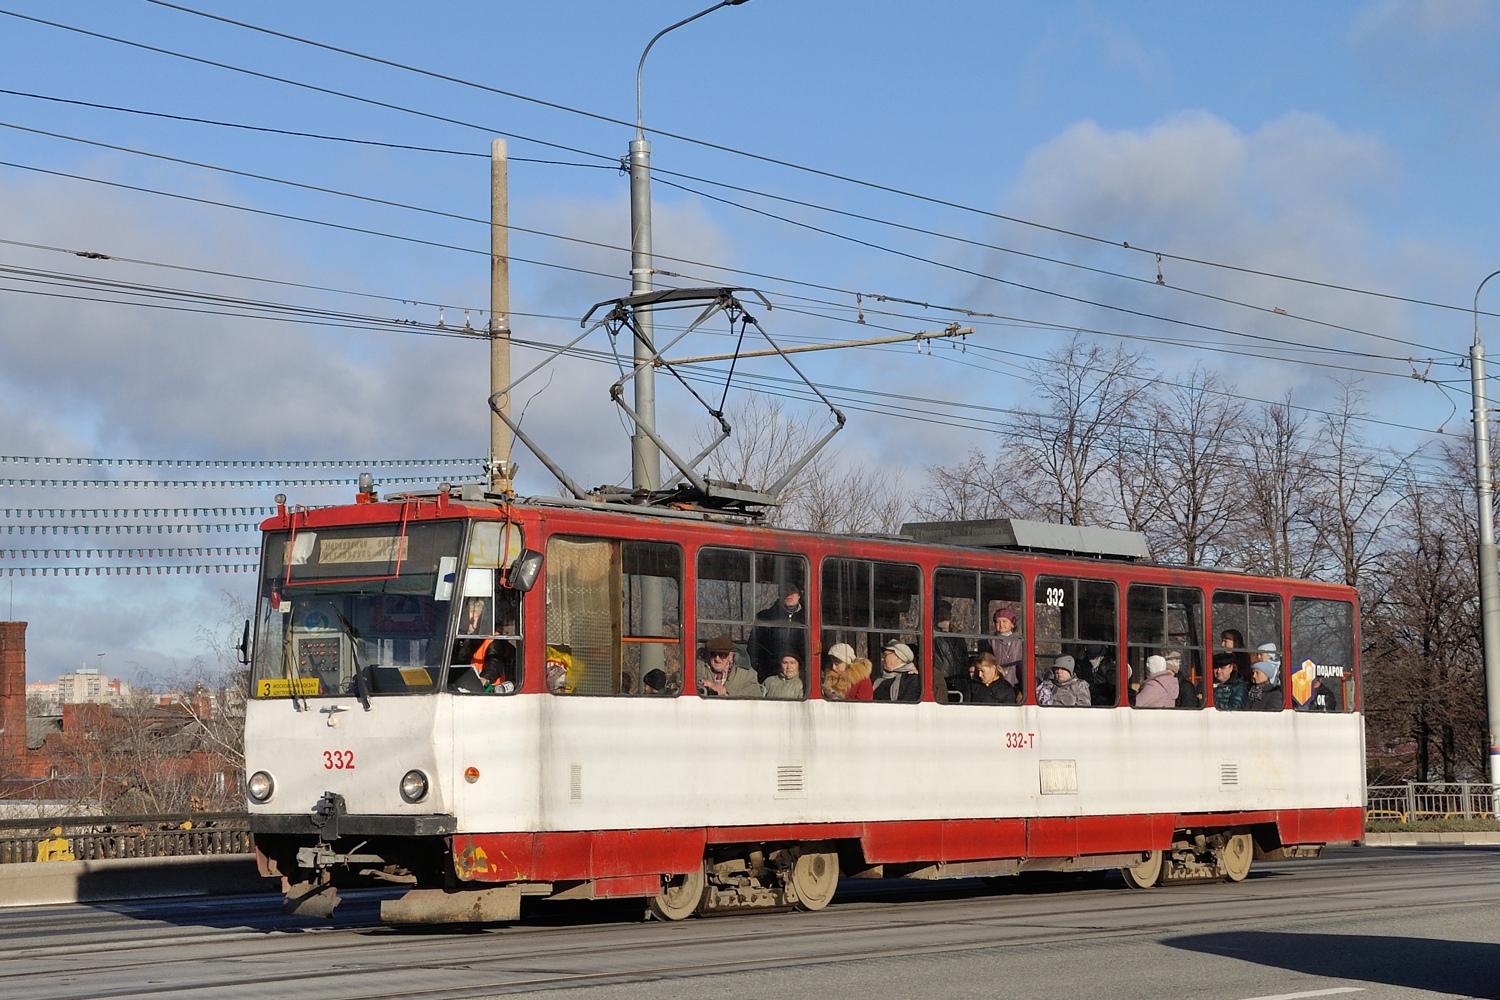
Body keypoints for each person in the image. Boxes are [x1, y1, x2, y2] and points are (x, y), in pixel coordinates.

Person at [750, 581, 807, 681]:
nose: (788, 594)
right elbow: (753, 649)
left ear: (800, 594)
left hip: (801, 678)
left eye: (793, 590)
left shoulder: (809, 619)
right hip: (770, 675)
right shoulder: (765, 617)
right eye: (784, 590)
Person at [697, 635, 763, 698]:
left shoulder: (746, 673)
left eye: (722, 655)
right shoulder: (699, 666)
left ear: (730, 656)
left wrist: (728, 693)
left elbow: (755, 692)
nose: (717, 658)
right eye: (713, 654)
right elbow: (689, 676)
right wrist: (709, 684)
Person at [932, 601, 969, 686]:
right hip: (940, 678)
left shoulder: (958, 635)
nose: (943, 617)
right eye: (940, 614)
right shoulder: (934, 635)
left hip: (959, 679)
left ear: (950, 616)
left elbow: (964, 656)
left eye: (945, 614)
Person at [988, 608, 1024, 687]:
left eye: (1004, 621)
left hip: (1016, 683)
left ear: (1012, 624)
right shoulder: (990, 641)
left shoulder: (1020, 641)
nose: (1001, 625)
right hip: (995, 683)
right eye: (998, 622)